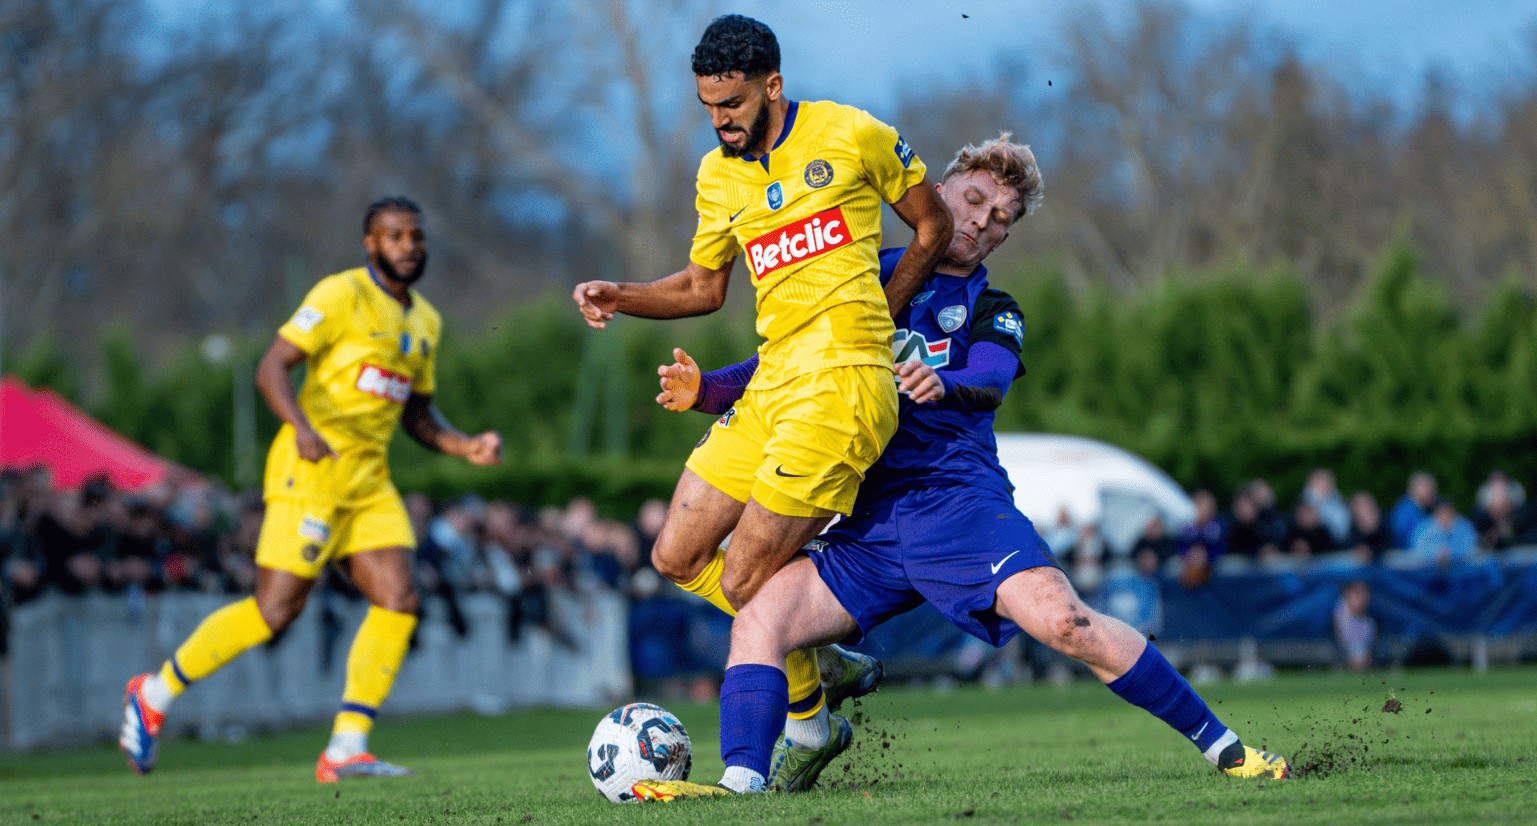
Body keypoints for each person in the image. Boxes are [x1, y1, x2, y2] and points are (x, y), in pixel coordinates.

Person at [631, 135, 1288, 802]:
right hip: (869, 522)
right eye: (973, 200)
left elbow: (992, 379)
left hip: (958, 507)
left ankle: (1230, 752)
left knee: (1066, 623)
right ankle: (740, 785)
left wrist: (940, 381)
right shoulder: (859, 274)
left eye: (1001, 217)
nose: (981, 221)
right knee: (759, 614)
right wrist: (707, 390)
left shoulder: (992, 309)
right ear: (937, 193)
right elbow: (786, 367)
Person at [571, 14, 952, 743]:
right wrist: (620, 296)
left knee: (745, 581)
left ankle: (804, 723)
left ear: (772, 85)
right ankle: (821, 667)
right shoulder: (717, 175)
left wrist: (882, 308)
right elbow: (700, 288)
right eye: (709, 107)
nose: (720, 121)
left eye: (733, 105)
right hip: (772, 382)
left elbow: (931, 225)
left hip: (842, 383)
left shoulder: (851, 134)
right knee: (674, 556)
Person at [118, 197, 503, 781]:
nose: (409, 247)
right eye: (395, 236)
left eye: (416, 237)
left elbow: (418, 415)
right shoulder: (339, 294)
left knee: (399, 599)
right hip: (312, 473)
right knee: (274, 611)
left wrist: (464, 445)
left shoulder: (426, 320)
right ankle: (154, 692)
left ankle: (347, 747)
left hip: (369, 481)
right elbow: (272, 367)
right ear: (370, 244)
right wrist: (300, 429)